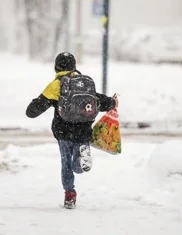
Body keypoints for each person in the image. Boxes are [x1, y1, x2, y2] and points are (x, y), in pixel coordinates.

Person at [25, 52, 117, 209]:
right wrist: (112, 101)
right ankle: (81, 161)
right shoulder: (84, 83)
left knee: (66, 164)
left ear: (56, 67)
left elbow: (33, 111)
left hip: (64, 131)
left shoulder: (56, 85)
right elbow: (100, 100)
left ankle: (70, 196)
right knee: (77, 163)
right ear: (74, 66)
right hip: (84, 131)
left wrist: (33, 106)